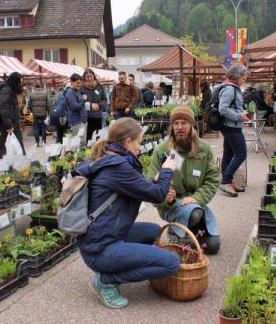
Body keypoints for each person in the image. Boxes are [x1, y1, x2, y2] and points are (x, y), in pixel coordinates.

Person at [76, 118, 180, 309]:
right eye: (139, 142)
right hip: (100, 250)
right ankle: (106, 280)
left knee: (153, 231)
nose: (140, 148)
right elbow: (157, 195)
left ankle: (126, 263)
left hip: (99, 238)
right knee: (172, 264)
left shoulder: (112, 159)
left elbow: (145, 189)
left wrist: (157, 181)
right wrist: (166, 171)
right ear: (127, 142)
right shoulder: (118, 167)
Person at [147, 106, 221, 254]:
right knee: (194, 214)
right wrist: (166, 198)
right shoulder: (162, 151)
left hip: (195, 203)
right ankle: (175, 231)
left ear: (192, 124)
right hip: (171, 206)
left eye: (184, 123)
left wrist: (197, 197)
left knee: (213, 246)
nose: (179, 127)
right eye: (175, 123)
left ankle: (188, 231)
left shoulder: (204, 148)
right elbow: (150, 185)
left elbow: (212, 179)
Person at [218, 64, 250, 197]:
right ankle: (226, 181)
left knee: (228, 154)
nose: (244, 81)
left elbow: (231, 107)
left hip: (230, 126)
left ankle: (227, 181)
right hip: (232, 126)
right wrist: (239, 116)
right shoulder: (230, 90)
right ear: (237, 76)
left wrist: (241, 112)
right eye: (243, 78)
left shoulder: (230, 88)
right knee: (241, 153)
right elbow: (223, 109)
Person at [0, 72, 26, 160]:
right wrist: (8, 125)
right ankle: (7, 170)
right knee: (6, 150)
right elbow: (3, 107)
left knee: (14, 149)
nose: (21, 84)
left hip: (11, 124)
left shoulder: (9, 90)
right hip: (6, 126)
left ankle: (16, 169)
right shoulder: (6, 90)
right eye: (20, 82)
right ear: (15, 81)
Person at [80, 68, 106, 142]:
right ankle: (89, 152)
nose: (89, 78)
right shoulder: (81, 88)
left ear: (94, 76)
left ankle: (97, 151)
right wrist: (90, 105)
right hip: (87, 117)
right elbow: (79, 101)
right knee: (88, 137)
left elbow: (104, 99)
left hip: (98, 115)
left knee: (98, 136)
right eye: (87, 77)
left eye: (90, 76)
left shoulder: (100, 86)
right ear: (84, 77)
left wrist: (99, 105)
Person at [65, 73, 87, 147]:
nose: (79, 85)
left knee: (82, 143)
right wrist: (83, 100)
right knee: (79, 143)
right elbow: (74, 107)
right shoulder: (70, 92)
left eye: (80, 83)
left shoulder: (77, 91)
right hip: (76, 122)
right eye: (78, 83)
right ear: (72, 82)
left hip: (81, 121)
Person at [27, 82, 48, 147]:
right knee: (43, 127)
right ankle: (44, 141)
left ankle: (37, 142)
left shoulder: (31, 95)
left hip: (35, 114)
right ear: (40, 87)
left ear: (34, 87)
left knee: (36, 128)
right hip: (43, 114)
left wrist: (32, 111)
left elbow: (29, 106)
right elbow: (48, 104)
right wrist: (47, 111)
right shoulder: (45, 94)